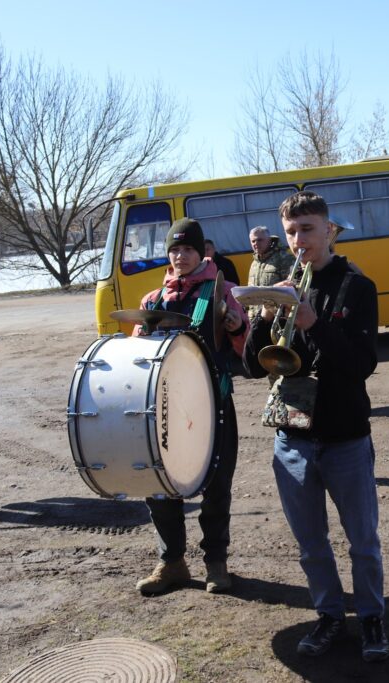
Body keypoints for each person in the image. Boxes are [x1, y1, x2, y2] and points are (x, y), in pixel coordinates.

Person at [244, 191, 389, 662]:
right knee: (311, 545)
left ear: (329, 230)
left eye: (307, 229)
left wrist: (313, 322)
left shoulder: (357, 286)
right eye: (291, 232)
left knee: (362, 542)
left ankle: (371, 617)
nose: (298, 240)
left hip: (346, 436)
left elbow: (362, 364)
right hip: (293, 437)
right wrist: (265, 318)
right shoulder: (284, 286)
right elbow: (251, 366)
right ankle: (329, 615)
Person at [133, 218, 250, 595]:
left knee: (216, 487)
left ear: (202, 252)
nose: (180, 256)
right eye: (175, 250)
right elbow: (137, 358)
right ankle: (172, 562)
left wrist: (236, 327)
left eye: (187, 249)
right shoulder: (152, 300)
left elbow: (248, 352)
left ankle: (216, 562)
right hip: (164, 409)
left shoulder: (225, 292)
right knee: (160, 483)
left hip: (213, 407)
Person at [246, 226, 296, 321]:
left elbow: (292, 288)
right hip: (256, 319)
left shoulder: (284, 258)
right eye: (253, 241)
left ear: (269, 240)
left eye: (259, 240)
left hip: (277, 319)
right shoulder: (254, 263)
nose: (256, 243)